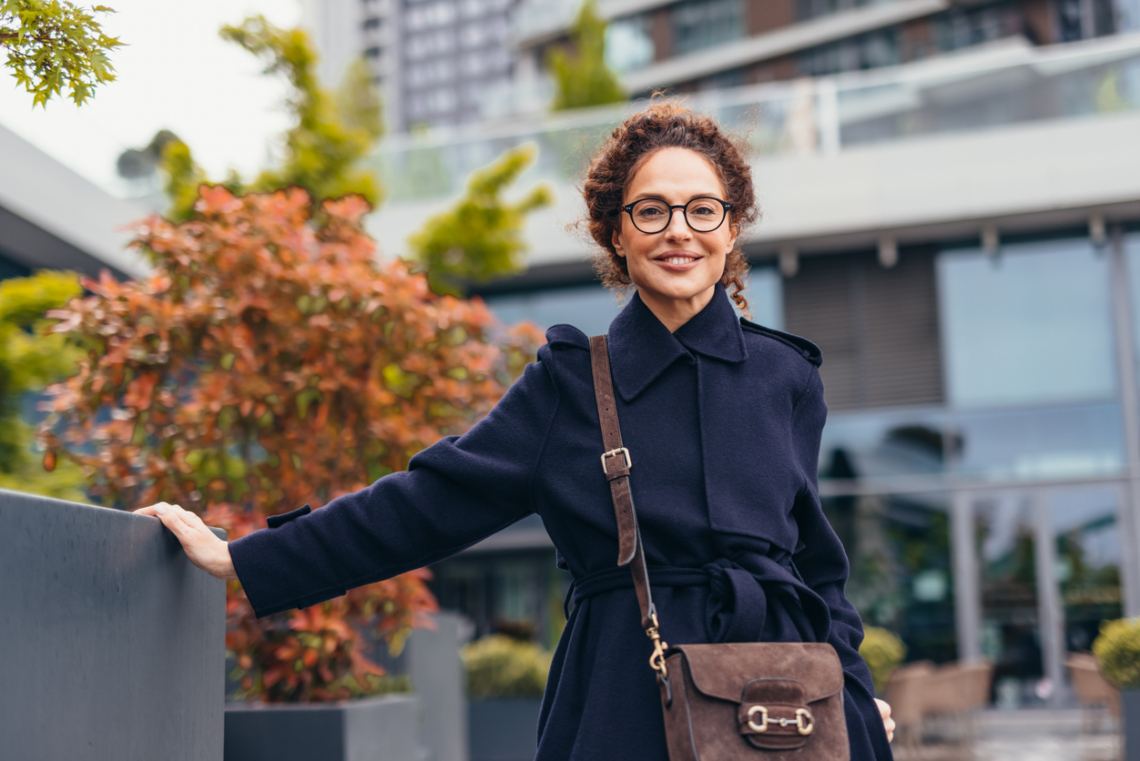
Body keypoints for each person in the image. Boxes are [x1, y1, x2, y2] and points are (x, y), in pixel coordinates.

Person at [138, 101, 896, 759]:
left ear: (732, 230)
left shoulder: (788, 377)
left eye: (704, 209)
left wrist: (854, 697)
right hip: (625, 697)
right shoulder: (571, 383)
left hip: (787, 709)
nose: (680, 232)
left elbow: (817, 572)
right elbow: (423, 504)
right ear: (616, 235)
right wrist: (246, 556)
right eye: (651, 210)